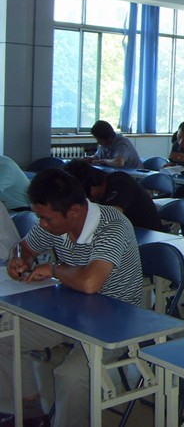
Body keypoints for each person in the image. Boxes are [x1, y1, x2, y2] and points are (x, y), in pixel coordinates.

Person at [0, 168, 142, 427]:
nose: (42, 224)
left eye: (46, 219)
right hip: (70, 311)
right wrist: (21, 259)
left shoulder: (113, 226)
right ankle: (29, 413)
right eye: (39, 217)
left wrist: (54, 269)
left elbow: (90, 283)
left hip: (117, 321)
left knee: (71, 376)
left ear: (74, 211)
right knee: (5, 337)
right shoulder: (55, 223)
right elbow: (26, 246)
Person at [64, 159, 162, 230]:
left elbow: (111, 217)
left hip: (149, 234)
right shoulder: (101, 190)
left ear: (91, 187)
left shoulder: (121, 182)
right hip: (127, 233)